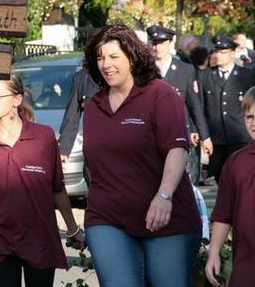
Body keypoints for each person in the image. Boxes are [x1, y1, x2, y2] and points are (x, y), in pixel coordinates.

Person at [82, 24, 201, 287]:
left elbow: (177, 149)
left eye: (114, 57)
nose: (106, 64)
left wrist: (164, 195)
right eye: (100, 58)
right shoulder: (93, 107)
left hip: (166, 219)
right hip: (108, 218)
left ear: (132, 57)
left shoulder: (161, 95)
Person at [0, 74, 84, 287]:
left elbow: (57, 189)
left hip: (40, 237)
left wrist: (73, 229)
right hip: (1, 239)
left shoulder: (44, 136)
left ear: (17, 100)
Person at [146, 25, 213, 184]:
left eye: (162, 42)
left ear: (170, 43)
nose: (157, 47)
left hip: (179, 135)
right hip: (152, 137)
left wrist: (205, 136)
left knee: (184, 183)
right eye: (154, 43)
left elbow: (194, 104)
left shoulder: (185, 70)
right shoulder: (144, 71)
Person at [205, 86, 255, 286]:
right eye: (250, 117)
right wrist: (214, 252)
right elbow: (223, 213)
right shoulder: (236, 163)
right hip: (247, 265)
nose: (254, 123)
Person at [198, 35, 255, 183]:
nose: (218, 55)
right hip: (216, 141)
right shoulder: (205, 76)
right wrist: (205, 137)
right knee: (221, 180)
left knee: (242, 179)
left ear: (232, 53)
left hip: (240, 138)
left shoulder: (247, 76)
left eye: (223, 52)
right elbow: (200, 108)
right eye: (216, 51)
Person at [58, 68, 99, 164]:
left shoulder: (124, 76)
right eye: (100, 58)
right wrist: (63, 150)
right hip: (94, 152)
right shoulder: (82, 78)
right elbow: (71, 117)